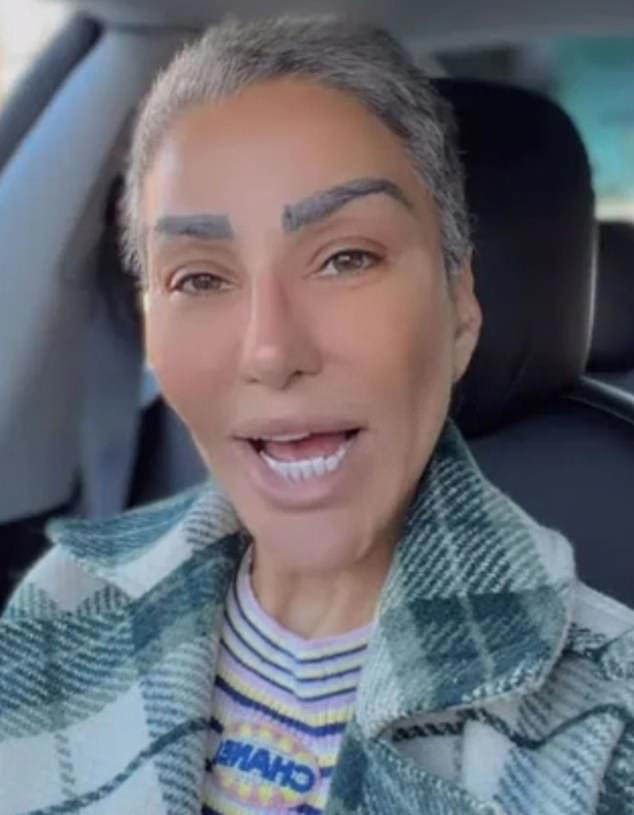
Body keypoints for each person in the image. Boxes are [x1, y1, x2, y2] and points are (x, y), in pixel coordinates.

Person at [1, 16, 632, 815]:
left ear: (461, 307)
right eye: (199, 278)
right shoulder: (61, 605)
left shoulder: (609, 719)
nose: (270, 351)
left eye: (345, 258)